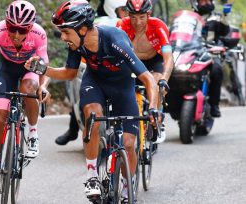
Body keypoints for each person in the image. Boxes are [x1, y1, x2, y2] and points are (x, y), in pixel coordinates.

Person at [25, 0, 159, 201]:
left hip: (122, 86)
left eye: (66, 32)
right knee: (93, 115)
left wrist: (154, 109)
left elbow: (148, 79)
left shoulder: (115, 40)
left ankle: (126, 184)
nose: (62, 37)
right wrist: (43, 69)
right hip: (94, 82)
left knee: (129, 144)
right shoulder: (76, 44)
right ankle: (92, 176)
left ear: (82, 29)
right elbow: (70, 73)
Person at [0, 0, 50, 193]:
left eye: (22, 30)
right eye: (13, 28)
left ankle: (33, 133)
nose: (17, 35)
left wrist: (43, 87)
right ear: (6, 23)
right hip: (7, 70)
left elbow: (45, 68)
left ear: (30, 28)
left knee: (28, 88)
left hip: (31, 69)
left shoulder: (39, 34)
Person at [55, 0, 128, 146]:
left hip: (120, 66)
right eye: (123, 10)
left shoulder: (126, 24)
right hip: (90, 56)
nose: (127, 13)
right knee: (83, 87)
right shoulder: (96, 21)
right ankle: (73, 128)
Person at [116, 0, 174, 143]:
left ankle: (158, 119)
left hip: (154, 60)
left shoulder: (158, 25)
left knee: (158, 82)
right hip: (132, 62)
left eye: (142, 17)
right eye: (133, 17)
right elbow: (116, 54)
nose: (138, 22)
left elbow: (168, 57)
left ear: (149, 14)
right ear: (128, 15)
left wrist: (164, 79)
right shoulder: (122, 25)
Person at [190, 0, 231, 117]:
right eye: (202, 1)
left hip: (210, 52)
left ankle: (214, 105)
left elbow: (225, 31)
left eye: (207, 0)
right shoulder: (188, 17)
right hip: (190, 52)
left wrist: (225, 15)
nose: (205, 3)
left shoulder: (217, 17)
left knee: (217, 69)